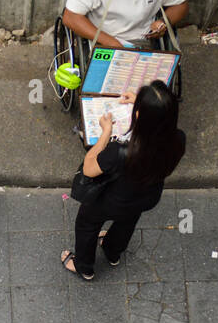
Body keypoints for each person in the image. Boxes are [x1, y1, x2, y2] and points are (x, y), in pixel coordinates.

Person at [61, 80, 185, 279]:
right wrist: (144, 106)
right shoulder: (178, 139)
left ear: (139, 116)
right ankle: (112, 251)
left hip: (110, 201)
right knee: (127, 221)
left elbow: (89, 168)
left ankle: (84, 266)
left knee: (87, 223)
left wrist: (106, 132)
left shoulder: (121, 152)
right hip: (146, 197)